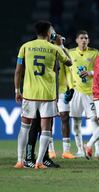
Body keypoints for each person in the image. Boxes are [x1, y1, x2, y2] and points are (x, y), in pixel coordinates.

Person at [14, 21, 72, 169]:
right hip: (47, 95)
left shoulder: (25, 47)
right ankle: (39, 162)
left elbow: (18, 71)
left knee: (24, 127)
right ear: (48, 33)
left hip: (29, 93)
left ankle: (20, 161)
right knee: (46, 128)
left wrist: (17, 90)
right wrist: (60, 45)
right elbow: (69, 62)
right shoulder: (54, 48)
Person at [68, 30, 99, 158]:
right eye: (81, 38)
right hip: (76, 92)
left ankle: (97, 149)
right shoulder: (70, 53)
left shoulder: (94, 53)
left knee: (94, 120)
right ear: (77, 40)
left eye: (86, 38)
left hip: (90, 92)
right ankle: (80, 149)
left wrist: (90, 73)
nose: (84, 40)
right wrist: (69, 87)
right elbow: (67, 72)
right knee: (76, 122)